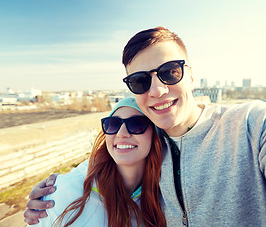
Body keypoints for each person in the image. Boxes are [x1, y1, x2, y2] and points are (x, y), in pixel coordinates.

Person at [25, 27, 266, 226]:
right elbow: (111, 155)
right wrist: (57, 189)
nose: (157, 90)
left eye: (169, 72)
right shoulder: (147, 136)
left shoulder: (253, 124)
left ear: (191, 76)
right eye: (140, 80)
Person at [27, 97, 166, 227]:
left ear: (155, 135)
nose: (121, 133)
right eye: (113, 124)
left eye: (137, 125)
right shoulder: (67, 190)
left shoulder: (164, 196)